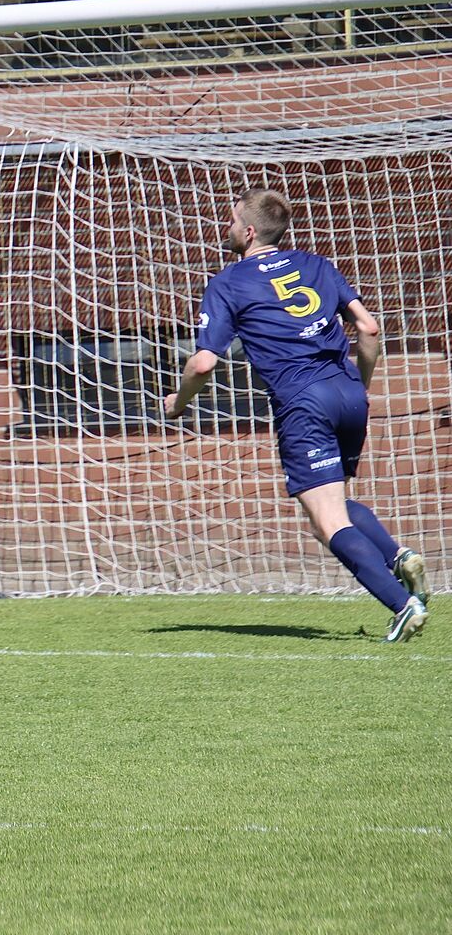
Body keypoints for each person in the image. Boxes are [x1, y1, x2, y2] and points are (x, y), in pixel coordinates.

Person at [164, 189, 429, 643]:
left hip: (304, 402)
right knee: (332, 502)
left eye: (231, 221)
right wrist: (361, 386)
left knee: (328, 522)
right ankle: (398, 556)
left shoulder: (228, 282)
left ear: (249, 232)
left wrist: (179, 403)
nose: (227, 228)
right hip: (347, 392)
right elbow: (368, 328)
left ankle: (403, 605)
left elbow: (203, 363)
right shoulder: (317, 264)